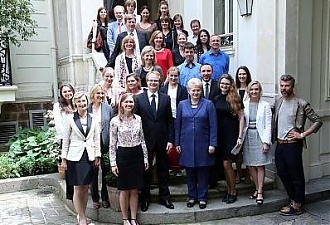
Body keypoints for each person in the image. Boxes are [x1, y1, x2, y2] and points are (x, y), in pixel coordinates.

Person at [273, 74, 322, 215]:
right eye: (281, 85)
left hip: (293, 145)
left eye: (287, 85)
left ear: (292, 86)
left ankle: (298, 205)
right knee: (282, 173)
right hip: (280, 144)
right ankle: (293, 199)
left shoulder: (301, 103)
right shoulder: (278, 101)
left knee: (296, 175)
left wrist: (302, 134)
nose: (284, 88)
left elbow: (318, 120)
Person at [134, 71, 175, 212]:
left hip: (163, 140)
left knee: (163, 170)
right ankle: (145, 198)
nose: (153, 83)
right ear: (146, 81)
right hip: (145, 141)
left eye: (156, 81)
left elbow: (170, 121)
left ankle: (165, 197)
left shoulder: (166, 98)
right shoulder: (138, 99)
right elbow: (136, 122)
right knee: (146, 171)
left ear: (160, 82)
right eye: (150, 81)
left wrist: (171, 140)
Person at [175, 78, 217, 209]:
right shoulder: (182, 104)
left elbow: (213, 125)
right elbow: (178, 125)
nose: (196, 93)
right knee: (190, 172)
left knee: (203, 172)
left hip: (203, 144)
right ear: (188, 91)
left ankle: (203, 197)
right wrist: (177, 142)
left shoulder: (208, 104)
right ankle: (192, 196)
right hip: (186, 143)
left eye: (198, 90)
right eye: (193, 90)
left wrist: (212, 143)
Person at [61, 92, 101, 225]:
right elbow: (65, 140)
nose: (82, 104)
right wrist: (64, 159)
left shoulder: (94, 118)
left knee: (86, 187)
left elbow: (96, 138)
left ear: (87, 101)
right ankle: (82, 217)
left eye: (83, 101)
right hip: (75, 157)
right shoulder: (70, 118)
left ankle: (82, 214)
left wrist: (97, 155)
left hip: (89, 156)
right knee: (78, 187)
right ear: (75, 104)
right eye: (78, 102)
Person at [110, 93, 148, 225]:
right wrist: (113, 162)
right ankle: (125, 218)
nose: (128, 104)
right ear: (121, 104)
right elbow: (112, 143)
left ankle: (133, 218)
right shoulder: (115, 121)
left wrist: (145, 158)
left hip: (137, 154)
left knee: (135, 189)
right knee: (124, 189)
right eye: (126, 102)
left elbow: (142, 139)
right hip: (123, 155)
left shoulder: (138, 119)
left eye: (131, 102)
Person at [213, 74, 244, 204]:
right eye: (222, 83)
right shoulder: (216, 98)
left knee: (227, 164)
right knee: (224, 166)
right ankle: (228, 190)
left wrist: (240, 136)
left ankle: (233, 192)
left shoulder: (235, 98)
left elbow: (241, 117)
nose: (224, 86)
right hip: (219, 134)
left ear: (231, 84)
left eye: (227, 84)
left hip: (231, 134)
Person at [242, 81, 272, 205]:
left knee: (260, 165)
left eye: (256, 89)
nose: (254, 92)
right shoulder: (244, 104)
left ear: (260, 91)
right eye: (252, 90)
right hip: (248, 136)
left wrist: (266, 142)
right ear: (248, 91)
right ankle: (256, 187)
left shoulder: (265, 105)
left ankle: (260, 191)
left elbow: (268, 125)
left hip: (260, 136)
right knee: (250, 164)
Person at [88, 84, 113, 209]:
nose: (100, 96)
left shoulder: (108, 108)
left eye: (102, 93)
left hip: (105, 143)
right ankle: (94, 197)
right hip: (92, 144)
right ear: (93, 95)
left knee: (105, 171)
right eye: (98, 93)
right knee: (94, 171)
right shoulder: (87, 109)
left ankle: (105, 197)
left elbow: (112, 126)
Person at [160, 67, 188, 175]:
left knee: (178, 141)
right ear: (167, 75)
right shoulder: (162, 89)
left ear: (178, 76)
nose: (173, 78)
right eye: (171, 75)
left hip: (179, 117)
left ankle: (180, 165)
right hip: (166, 118)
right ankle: (171, 165)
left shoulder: (183, 89)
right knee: (169, 141)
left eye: (175, 76)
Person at [53, 84, 75, 201]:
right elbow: (59, 125)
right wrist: (66, 138)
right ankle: (70, 194)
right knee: (68, 167)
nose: (67, 93)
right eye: (65, 91)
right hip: (66, 140)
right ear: (61, 93)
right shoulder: (58, 106)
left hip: (78, 140)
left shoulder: (75, 104)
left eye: (69, 91)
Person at [234, 65, 252, 184]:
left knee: (248, 150)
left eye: (244, 74)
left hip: (249, 122)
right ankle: (239, 173)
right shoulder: (234, 89)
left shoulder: (251, 88)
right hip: (236, 122)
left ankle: (248, 175)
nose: (242, 76)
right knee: (238, 151)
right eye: (240, 74)